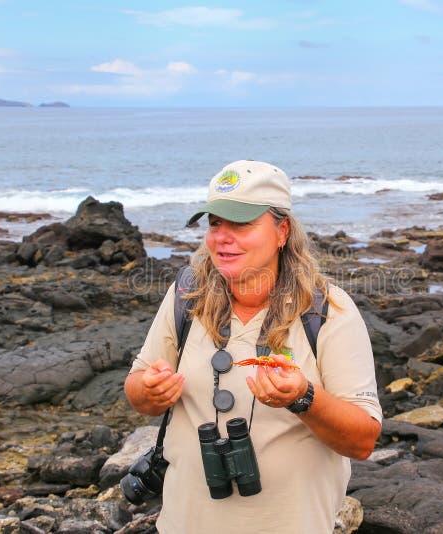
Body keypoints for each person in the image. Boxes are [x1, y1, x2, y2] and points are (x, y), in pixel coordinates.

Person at [125, 160, 382, 533]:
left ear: (282, 231)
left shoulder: (327, 311)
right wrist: (150, 390)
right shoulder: (186, 296)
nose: (222, 237)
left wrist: (304, 398)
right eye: (214, 223)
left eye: (241, 223)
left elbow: (362, 441)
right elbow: (137, 392)